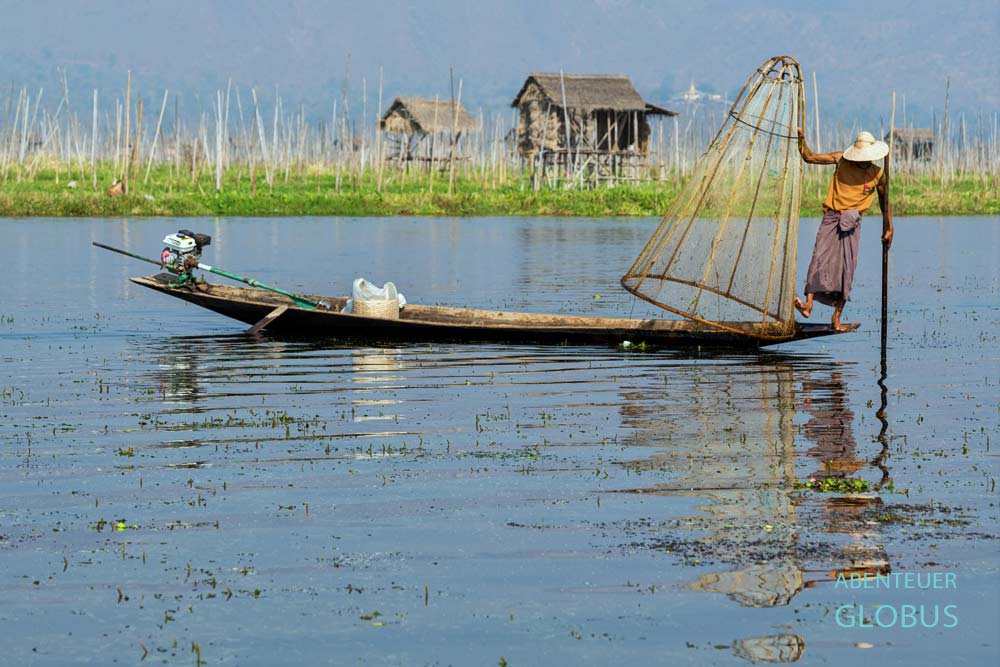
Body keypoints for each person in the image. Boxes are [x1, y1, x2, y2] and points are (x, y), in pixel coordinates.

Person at [795, 130, 893, 331]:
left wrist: (889, 227)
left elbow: (885, 202)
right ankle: (807, 305)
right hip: (832, 217)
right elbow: (809, 157)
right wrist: (801, 139)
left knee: (847, 269)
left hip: (851, 224)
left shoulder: (878, 174)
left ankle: (836, 318)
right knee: (818, 259)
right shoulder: (841, 159)